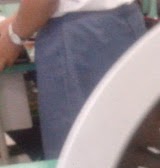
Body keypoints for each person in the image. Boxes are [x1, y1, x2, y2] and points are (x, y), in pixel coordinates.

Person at [0, 0, 146, 159]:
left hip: (80, 41)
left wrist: (13, 38)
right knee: (126, 147)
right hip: (120, 24)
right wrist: (16, 21)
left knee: (81, 158)